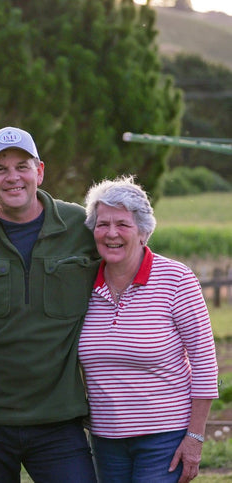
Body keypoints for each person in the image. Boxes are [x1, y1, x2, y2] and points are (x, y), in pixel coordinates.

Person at [0, 126, 100, 482]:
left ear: (40, 170)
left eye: (22, 166)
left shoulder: (82, 227)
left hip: (59, 421)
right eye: (0, 168)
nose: (13, 177)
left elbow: (130, 264)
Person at [78, 175, 219, 483]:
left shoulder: (176, 279)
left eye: (122, 225)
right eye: (102, 224)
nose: (111, 233)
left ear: (143, 231)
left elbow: (205, 364)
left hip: (164, 437)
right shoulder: (82, 283)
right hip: (105, 438)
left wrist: (195, 436)